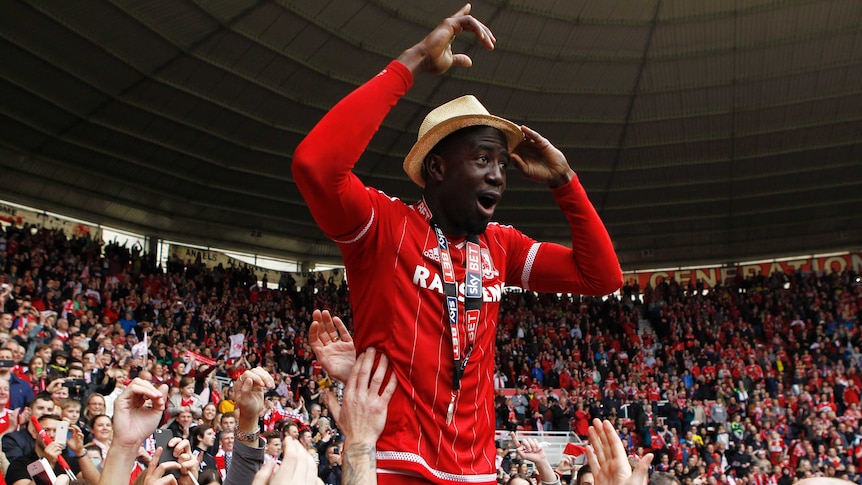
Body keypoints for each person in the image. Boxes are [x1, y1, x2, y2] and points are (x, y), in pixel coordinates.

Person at [294, 4, 621, 484]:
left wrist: (565, 182)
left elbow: (602, 277)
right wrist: (412, 63)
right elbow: (315, 166)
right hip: (394, 464)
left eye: (503, 165)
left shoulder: (501, 246)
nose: (497, 175)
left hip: (477, 473)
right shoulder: (385, 226)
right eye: (484, 159)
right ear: (437, 169)